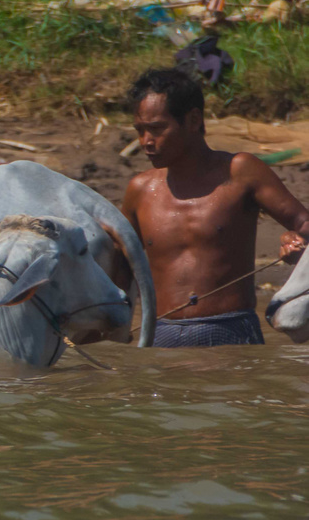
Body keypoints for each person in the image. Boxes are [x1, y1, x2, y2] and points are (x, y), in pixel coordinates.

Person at [121, 67, 309, 347]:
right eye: (140, 130)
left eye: (157, 129)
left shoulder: (241, 171)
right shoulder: (139, 189)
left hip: (231, 330)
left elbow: (303, 225)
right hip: (160, 334)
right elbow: (118, 267)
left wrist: (293, 241)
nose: (146, 141)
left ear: (193, 119)